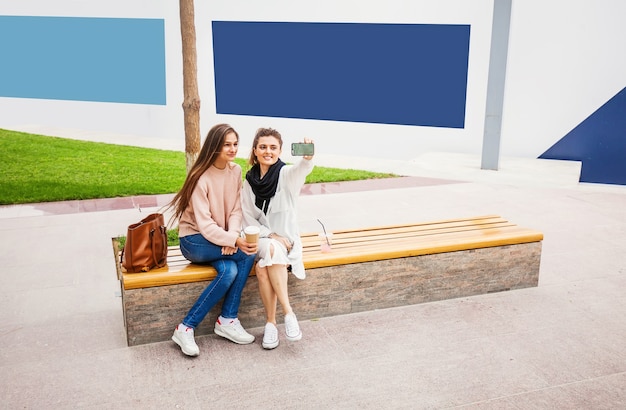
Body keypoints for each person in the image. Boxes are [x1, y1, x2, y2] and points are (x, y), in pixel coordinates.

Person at [167, 123, 258, 357]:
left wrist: (232, 237)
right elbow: (205, 225)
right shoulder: (200, 177)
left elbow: (237, 210)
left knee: (229, 272)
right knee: (248, 253)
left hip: (220, 240)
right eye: (226, 144)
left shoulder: (235, 171)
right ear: (214, 146)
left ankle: (187, 327)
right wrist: (233, 240)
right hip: (195, 241)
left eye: (235, 144)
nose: (232, 149)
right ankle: (228, 318)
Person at [241, 127, 314, 349]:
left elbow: (300, 170)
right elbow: (248, 219)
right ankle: (289, 314)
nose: (268, 151)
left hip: (288, 242)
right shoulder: (249, 181)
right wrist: (271, 234)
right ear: (255, 150)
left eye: (273, 147)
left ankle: (271, 324)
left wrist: (308, 158)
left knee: (263, 268)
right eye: (262, 147)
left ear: (280, 150)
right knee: (272, 247)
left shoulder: (285, 175)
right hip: (263, 239)